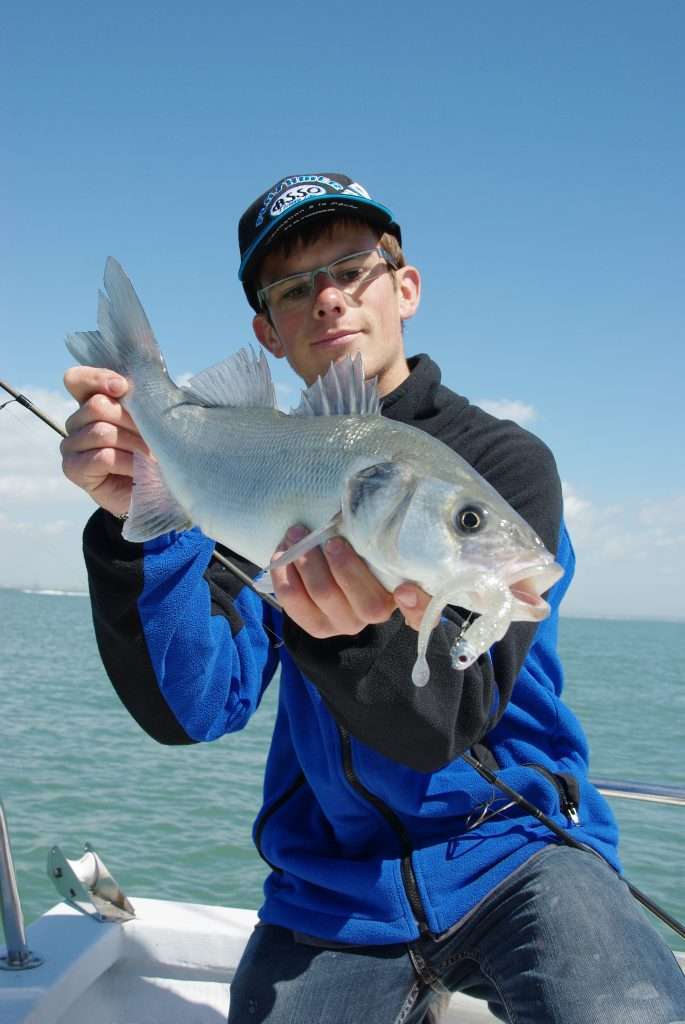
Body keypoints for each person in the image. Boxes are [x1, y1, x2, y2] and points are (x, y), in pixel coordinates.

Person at [61, 172, 685, 1023]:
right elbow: (192, 707)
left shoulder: (502, 463)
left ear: (405, 286)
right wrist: (134, 514)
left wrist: (345, 635)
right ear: (266, 334)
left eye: (351, 268)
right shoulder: (251, 479)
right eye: (291, 287)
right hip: (331, 885)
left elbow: (438, 727)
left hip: (521, 852)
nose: (326, 299)